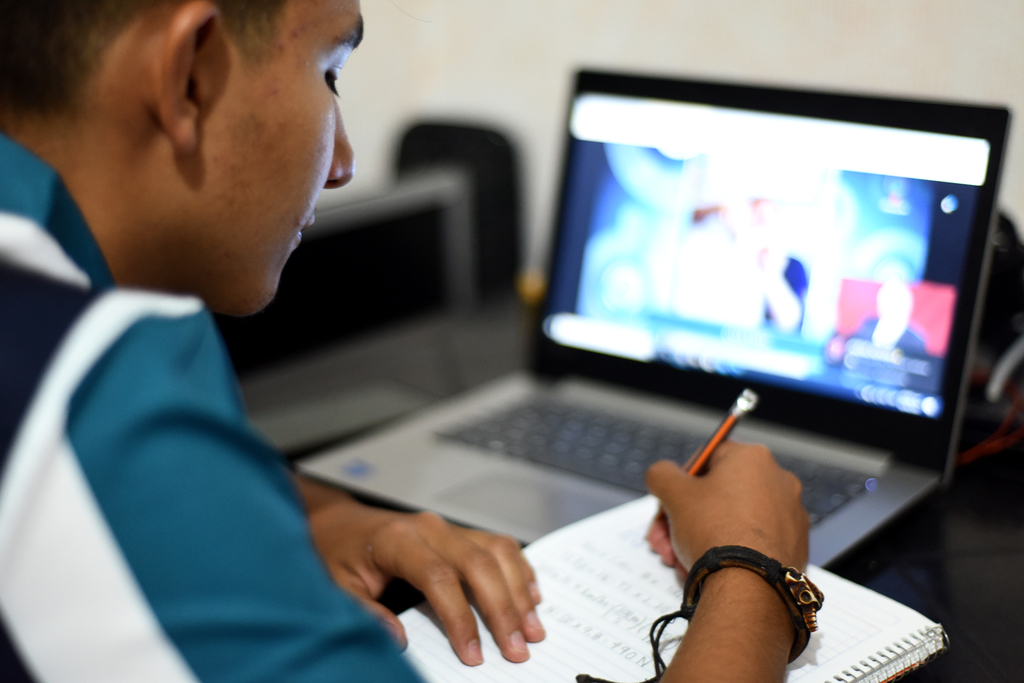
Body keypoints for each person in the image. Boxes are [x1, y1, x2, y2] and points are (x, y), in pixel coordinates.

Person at [0, 1, 809, 682]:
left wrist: (308, 514)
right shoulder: (87, 397)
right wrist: (753, 571)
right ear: (187, 76)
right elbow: (109, 467)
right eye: (330, 73)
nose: (344, 162)